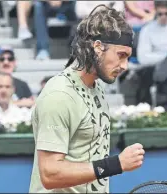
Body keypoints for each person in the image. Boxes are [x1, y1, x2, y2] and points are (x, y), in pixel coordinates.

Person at [29, 5, 145, 193]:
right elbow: (50, 174)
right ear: (98, 47)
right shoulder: (59, 95)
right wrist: (116, 164)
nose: (125, 66)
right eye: (120, 56)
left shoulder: (97, 86)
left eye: (127, 57)